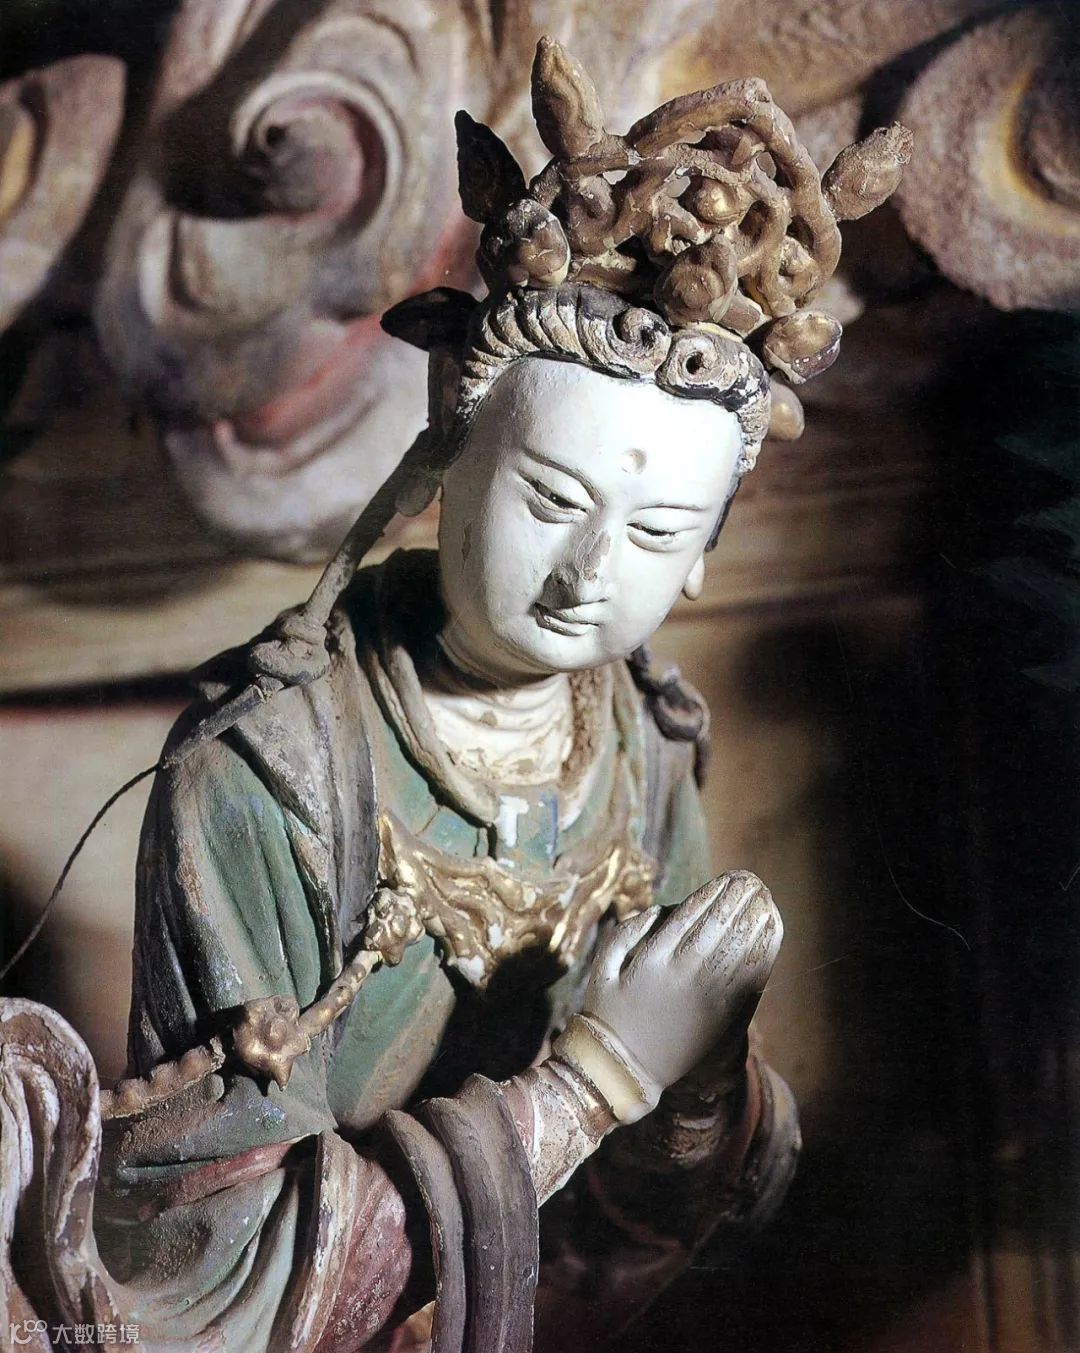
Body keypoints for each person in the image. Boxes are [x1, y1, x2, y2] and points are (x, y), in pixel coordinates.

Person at [0, 37, 910, 1353]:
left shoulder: (642, 742)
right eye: (550, 499)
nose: (587, 575)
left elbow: (642, 1222)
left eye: (659, 533)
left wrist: (703, 1078)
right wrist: (596, 1078)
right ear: (451, 450)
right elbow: (216, 1270)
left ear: (707, 554)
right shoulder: (272, 775)